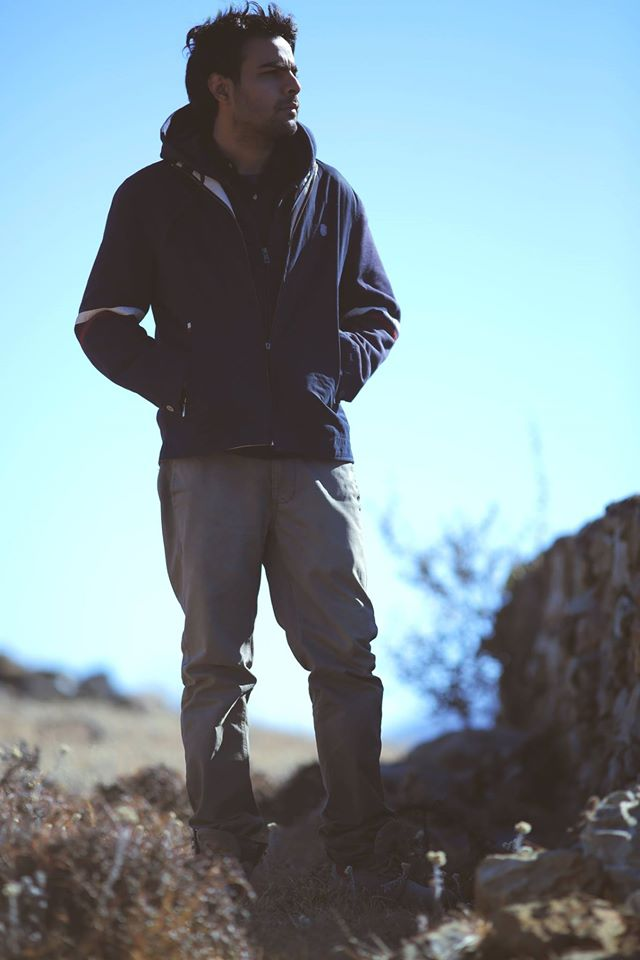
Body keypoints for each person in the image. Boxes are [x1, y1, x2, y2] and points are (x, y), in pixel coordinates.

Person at [75, 2, 436, 910]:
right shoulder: (150, 196)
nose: (293, 84)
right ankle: (223, 866)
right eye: (273, 71)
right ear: (221, 88)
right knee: (215, 666)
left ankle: (361, 850)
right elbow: (103, 324)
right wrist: (183, 388)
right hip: (206, 462)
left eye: (293, 69)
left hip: (316, 460)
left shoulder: (333, 194)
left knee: (346, 659)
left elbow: (377, 312)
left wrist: (330, 377)